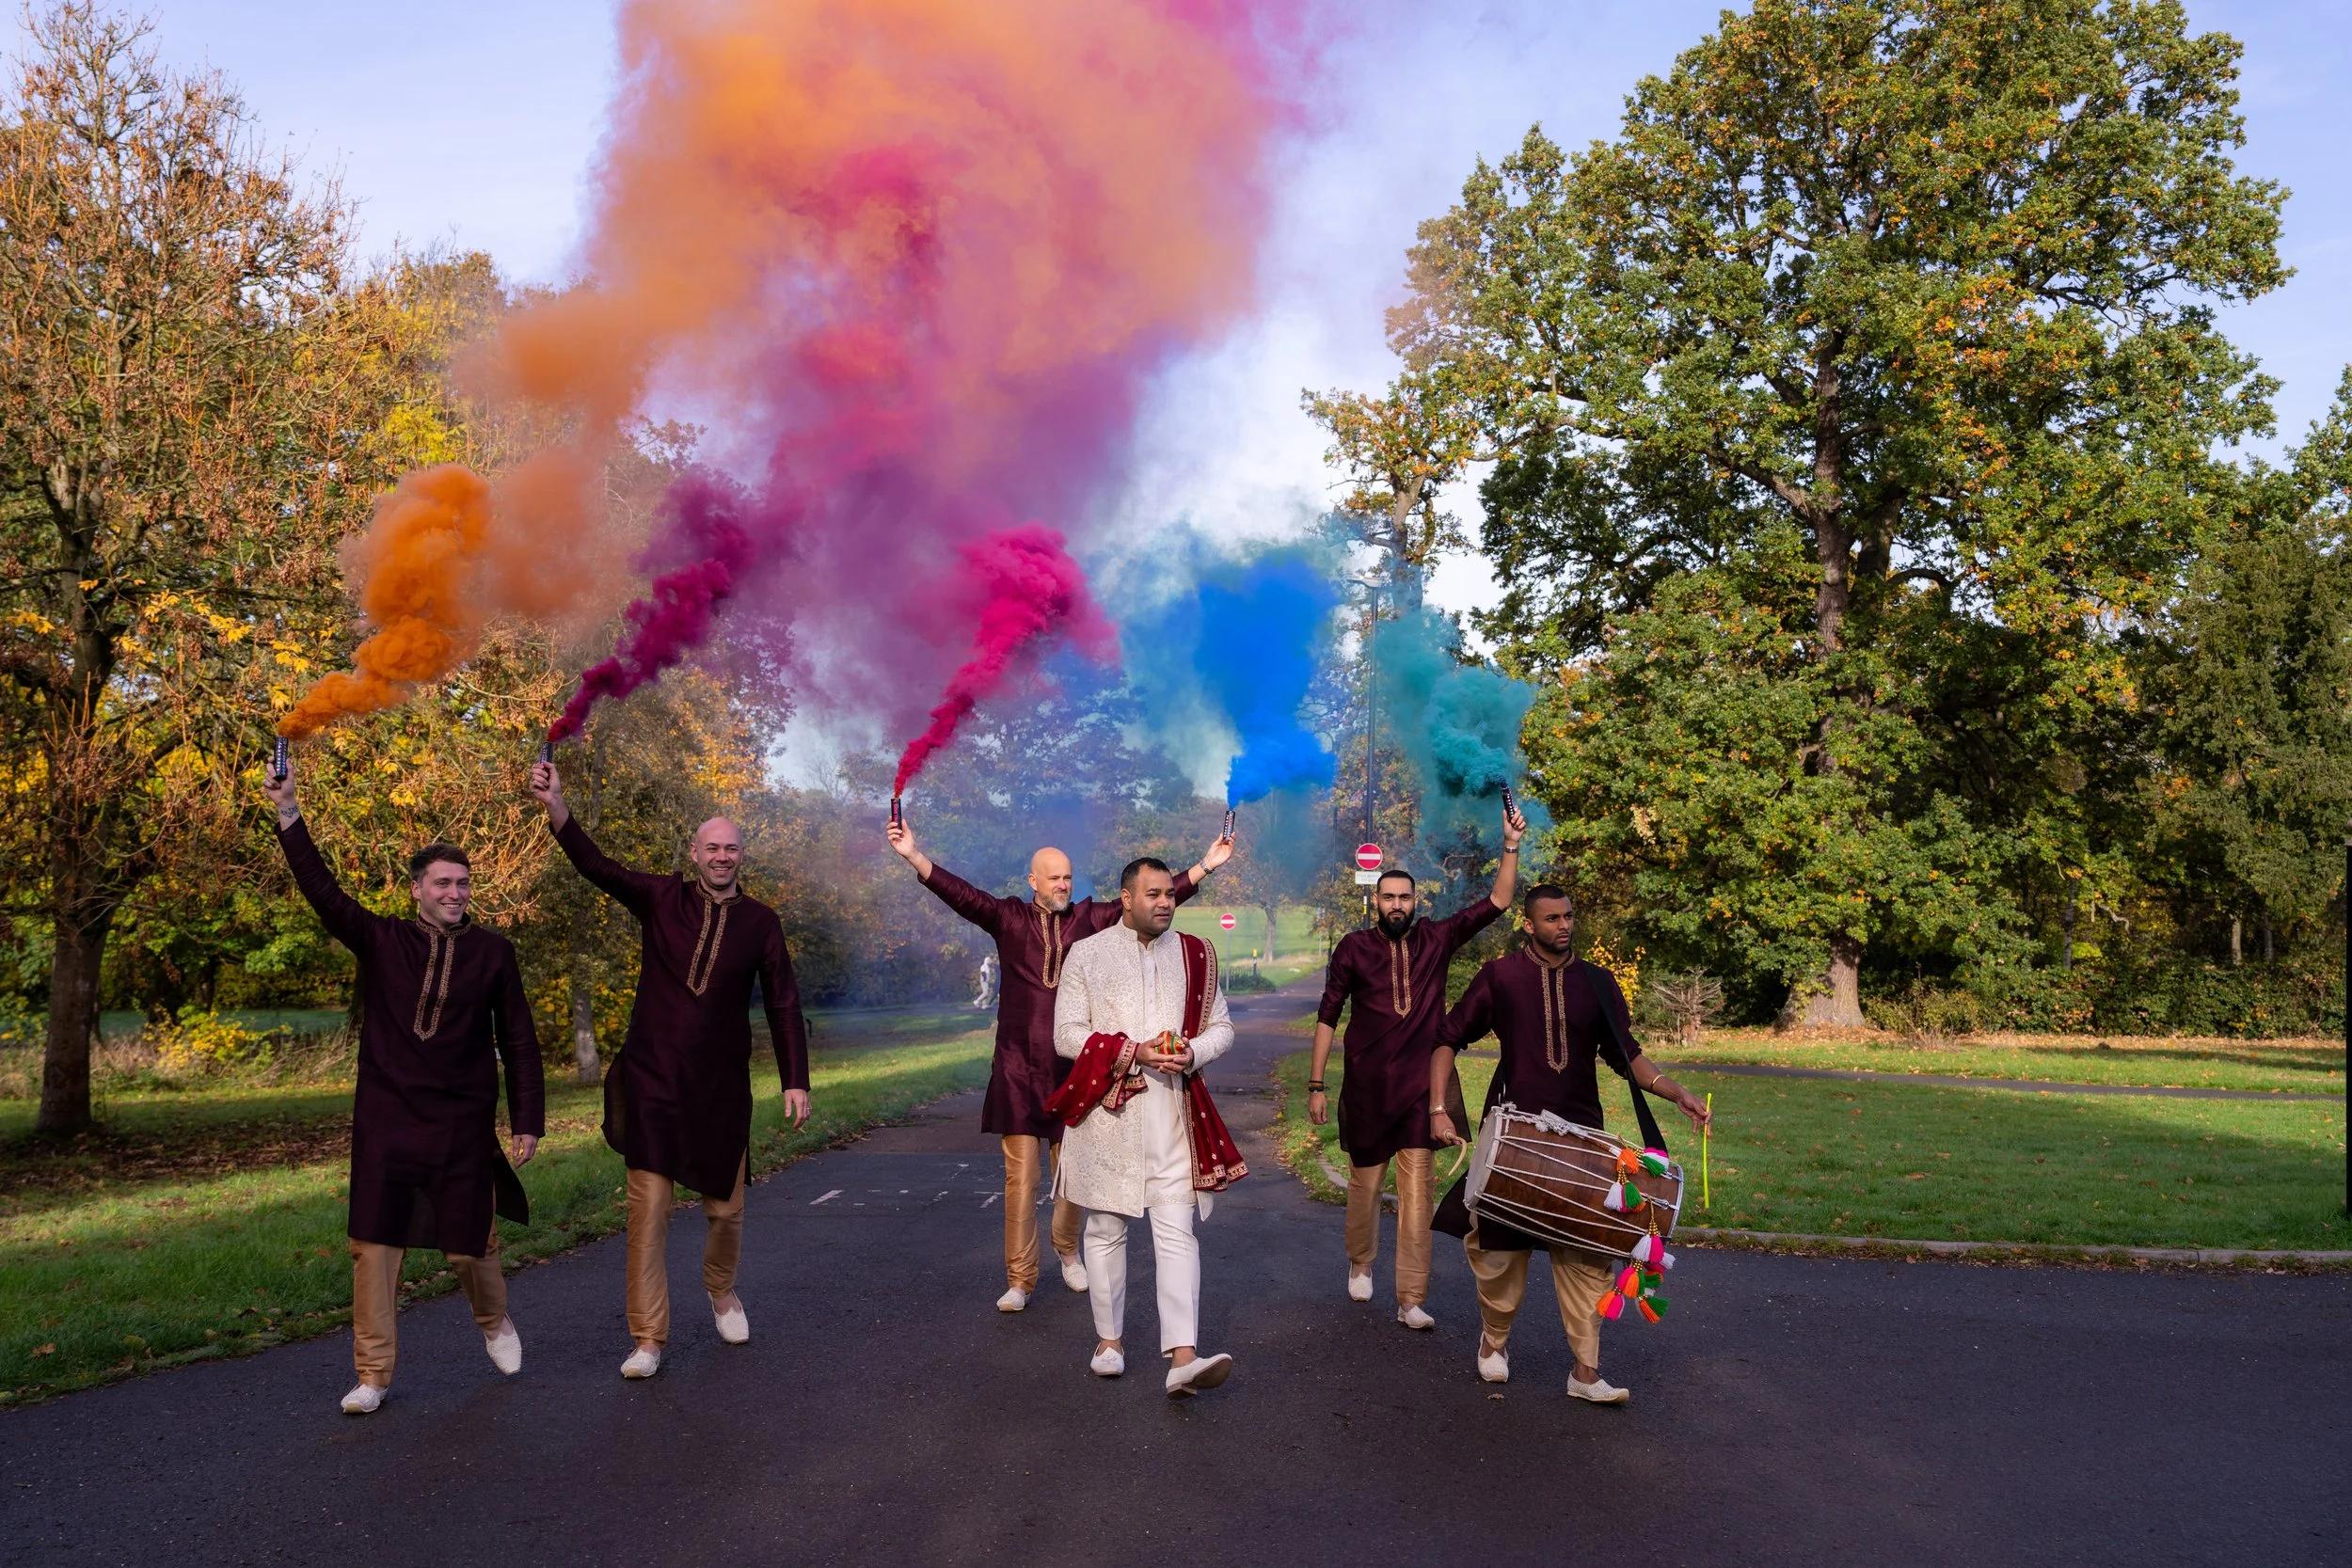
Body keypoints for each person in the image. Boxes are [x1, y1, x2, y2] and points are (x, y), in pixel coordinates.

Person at [262, 755, 543, 1416]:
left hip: (461, 1120)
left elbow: (521, 1040)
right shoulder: (380, 939)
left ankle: (494, 1320)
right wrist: (287, 812)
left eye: (464, 883)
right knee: (373, 1244)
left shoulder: (494, 953)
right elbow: (322, 890)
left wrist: (526, 1116)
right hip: (387, 1118)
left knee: (470, 1244)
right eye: (443, 882)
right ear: (416, 887)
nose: (455, 892)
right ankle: (374, 1374)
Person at [530, 761, 810, 1379]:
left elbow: (784, 1001)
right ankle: (648, 1337)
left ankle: (720, 1286)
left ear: (741, 855)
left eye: (731, 848)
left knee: (725, 1210)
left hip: (719, 1092)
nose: (722, 856)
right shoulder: (662, 897)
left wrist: (795, 1078)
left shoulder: (762, 922)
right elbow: (595, 865)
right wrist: (557, 805)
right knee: (647, 1210)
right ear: (694, 851)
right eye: (712, 846)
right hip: (653, 1083)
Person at [887, 814, 1232, 1311]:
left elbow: (1145, 901)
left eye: (1069, 877)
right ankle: (1020, 1279)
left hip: (1079, 1071)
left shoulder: (1090, 920)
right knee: (1021, 1180)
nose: (1064, 885)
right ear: (1033, 882)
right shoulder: (1007, 917)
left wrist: (1204, 866)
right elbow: (960, 894)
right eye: (1055, 878)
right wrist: (914, 855)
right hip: (1016, 1070)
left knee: (1071, 1176)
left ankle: (1068, 1251)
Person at [1429, 883, 1710, 1404]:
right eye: (1552, 918)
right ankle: (1494, 1342)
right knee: (1499, 1256)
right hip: (1517, 1137)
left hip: (1584, 1142)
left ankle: (1584, 1373)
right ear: (1529, 925)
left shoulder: (1598, 984)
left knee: (1587, 1257)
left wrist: (1678, 1094)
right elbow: (1448, 1037)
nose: (1564, 925)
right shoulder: (1501, 977)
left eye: (1569, 916)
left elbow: (1629, 1057)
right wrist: (1439, 1109)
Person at [1306, 800, 1524, 1328]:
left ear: (1415, 900)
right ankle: (1361, 1261)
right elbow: (1328, 1015)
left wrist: (1510, 844)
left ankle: (1411, 1298)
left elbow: (1498, 900)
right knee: (1363, 1188)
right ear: (1376, 901)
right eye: (1388, 897)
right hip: (1365, 1089)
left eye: (1405, 896)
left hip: (1422, 1092)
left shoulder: (1438, 938)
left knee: (1417, 1195)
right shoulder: (1354, 949)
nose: (1397, 904)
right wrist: (1316, 1084)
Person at [1050, 857, 1241, 1397]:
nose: (1164, 903)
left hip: (1175, 1114)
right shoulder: (1087, 954)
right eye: (1153, 894)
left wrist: (1194, 1052)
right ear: (1126, 899)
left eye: (1170, 895)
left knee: (1178, 1231)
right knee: (1106, 1230)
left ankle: (1183, 1357)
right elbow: (1067, 1035)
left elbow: (1222, 1027)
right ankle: (1109, 1342)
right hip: (1108, 1114)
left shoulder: (1196, 955)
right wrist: (1135, 1052)